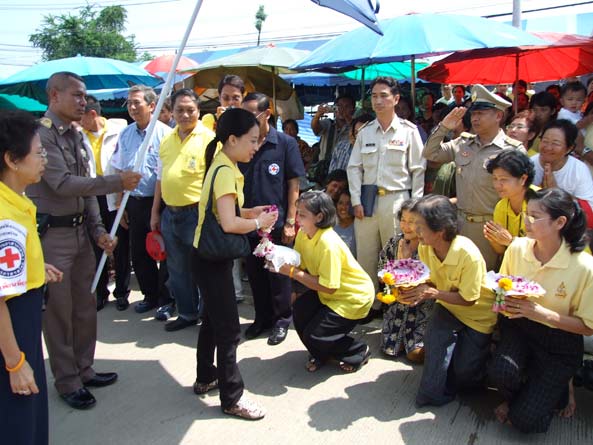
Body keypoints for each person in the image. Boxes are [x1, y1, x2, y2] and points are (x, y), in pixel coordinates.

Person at [26, 72, 142, 409]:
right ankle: (67, 380)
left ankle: (84, 369)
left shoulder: (76, 135)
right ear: (54, 95)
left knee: (85, 307)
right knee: (59, 313)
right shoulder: (42, 136)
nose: (83, 101)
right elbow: (63, 184)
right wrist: (117, 182)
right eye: (76, 95)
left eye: (84, 95)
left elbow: (86, 188)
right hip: (53, 237)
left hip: (79, 233)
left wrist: (98, 231)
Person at [191, 108, 278, 420]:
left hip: (206, 256)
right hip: (212, 259)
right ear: (232, 139)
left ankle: (206, 376)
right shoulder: (226, 171)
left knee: (213, 319)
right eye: (252, 140)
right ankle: (232, 398)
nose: (256, 146)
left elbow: (227, 212)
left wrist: (252, 213)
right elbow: (229, 224)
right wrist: (258, 223)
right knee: (228, 329)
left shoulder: (222, 164)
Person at [488, 188, 593, 433]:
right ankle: (523, 395)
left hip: (560, 342)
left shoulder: (584, 266)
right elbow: (501, 289)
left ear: (560, 222)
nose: (526, 221)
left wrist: (540, 313)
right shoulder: (517, 248)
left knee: (526, 421)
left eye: (535, 217)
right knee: (501, 372)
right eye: (527, 213)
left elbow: (588, 326)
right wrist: (503, 304)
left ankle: (557, 390)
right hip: (520, 329)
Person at [0, 110, 63, 444]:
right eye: (38, 153)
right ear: (12, 160)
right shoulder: (5, 217)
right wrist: (15, 363)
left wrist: (37, 272)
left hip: (22, 322)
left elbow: (11, 267)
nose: (44, 160)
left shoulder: (16, 201)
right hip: (12, 332)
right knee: (19, 419)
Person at [398, 195, 496, 407]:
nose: (415, 230)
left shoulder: (467, 254)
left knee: (465, 376)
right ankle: (431, 395)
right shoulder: (425, 247)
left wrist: (433, 294)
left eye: (420, 226)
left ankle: (481, 363)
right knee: (434, 345)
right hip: (447, 307)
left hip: (478, 316)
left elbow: (469, 300)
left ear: (440, 231)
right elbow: (429, 280)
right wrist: (409, 289)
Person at [423, 84, 525, 271]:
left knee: (488, 278)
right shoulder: (463, 143)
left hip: (491, 228)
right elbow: (430, 153)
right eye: (473, 113)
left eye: (481, 113)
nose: (475, 118)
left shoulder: (512, 149)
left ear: (498, 116)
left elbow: (521, 194)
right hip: (460, 224)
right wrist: (444, 127)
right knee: (458, 276)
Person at [273, 191, 373, 373]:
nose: (297, 219)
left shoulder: (328, 244)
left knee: (316, 335)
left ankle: (358, 351)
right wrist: (275, 258)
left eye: (302, 215)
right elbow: (299, 263)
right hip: (328, 292)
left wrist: (292, 272)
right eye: (297, 213)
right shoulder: (303, 234)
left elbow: (328, 287)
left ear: (319, 217)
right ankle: (320, 354)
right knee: (300, 313)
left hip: (353, 297)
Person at [347, 76, 425, 295]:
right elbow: (354, 168)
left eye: (383, 96)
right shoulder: (365, 132)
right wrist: (355, 200)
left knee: (397, 254)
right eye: (374, 96)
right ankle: (370, 302)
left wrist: (414, 207)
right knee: (366, 256)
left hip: (397, 199)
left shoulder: (409, 131)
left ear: (396, 99)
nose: (378, 101)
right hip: (367, 201)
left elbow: (418, 170)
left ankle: (398, 301)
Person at [241, 92, 305, 345]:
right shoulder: (242, 142)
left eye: (251, 114)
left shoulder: (285, 143)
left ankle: (281, 320)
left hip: (275, 224)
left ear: (266, 114)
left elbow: (293, 185)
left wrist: (290, 221)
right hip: (248, 222)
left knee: (278, 275)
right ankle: (262, 319)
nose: (247, 119)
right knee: (255, 275)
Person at [150, 88, 215, 331]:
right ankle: (187, 314)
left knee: (203, 268)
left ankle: (209, 316)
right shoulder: (167, 139)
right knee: (177, 269)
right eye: (180, 110)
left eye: (190, 110)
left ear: (198, 111)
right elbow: (160, 178)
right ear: (172, 111)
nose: (185, 115)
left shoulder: (209, 139)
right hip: (170, 214)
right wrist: (155, 212)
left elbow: (216, 179)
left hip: (197, 214)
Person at [112, 85, 172, 315]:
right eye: (129, 103)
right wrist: (120, 204)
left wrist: (156, 210)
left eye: (137, 102)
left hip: (160, 201)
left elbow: (163, 175)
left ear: (152, 105)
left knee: (164, 253)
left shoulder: (165, 134)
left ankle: (167, 299)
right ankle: (150, 295)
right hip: (134, 201)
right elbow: (119, 169)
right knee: (139, 252)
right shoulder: (125, 134)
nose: (132, 107)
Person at [80, 96, 131, 311]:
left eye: (81, 116)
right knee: (96, 245)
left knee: (120, 245)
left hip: (115, 194)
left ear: (92, 114)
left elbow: (125, 164)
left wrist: (122, 198)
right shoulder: (78, 135)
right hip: (92, 195)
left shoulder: (120, 131)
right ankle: (101, 292)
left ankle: (122, 292)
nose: (78, 120)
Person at [378, 198, 434, 362]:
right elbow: (381, 271)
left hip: (422, 305)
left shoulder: (429, 245)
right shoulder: (394, 242)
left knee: (415, 354)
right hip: (397, 304)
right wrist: (392, 279)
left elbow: (438, 278)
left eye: (412, 221)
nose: (406, 226)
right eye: (403, 220)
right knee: (389, 349)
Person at [532, 120, 593, 218]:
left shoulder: (579, 170)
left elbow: (589, 212)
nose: (548, 148)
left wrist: (557, 192)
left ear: (569, 148)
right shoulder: (530, 164)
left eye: (555, 143)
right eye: (545, 141)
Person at [483, 150, 537, 257]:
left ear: (523, 179)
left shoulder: (541, 202)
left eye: (503, 179)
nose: (497, 185)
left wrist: (511, 241)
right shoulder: (501, 207)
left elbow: (544, 247)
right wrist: (494, 239)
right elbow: (501, 251)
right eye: (495, 179)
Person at [311, 95, 355, 175]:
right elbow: (315, 129)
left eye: (346, 107)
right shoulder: (328, 123)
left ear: (353, 110)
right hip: (324, 170)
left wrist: (348, 119)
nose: (342, 109)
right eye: (339, 106)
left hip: (345, 170)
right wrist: (318, 115)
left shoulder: (355, 127)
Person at [334, 189, 356, 256]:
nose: (343, 207)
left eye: (348, 204)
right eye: (340, 203)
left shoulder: (358, 228)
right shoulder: (331, 229)